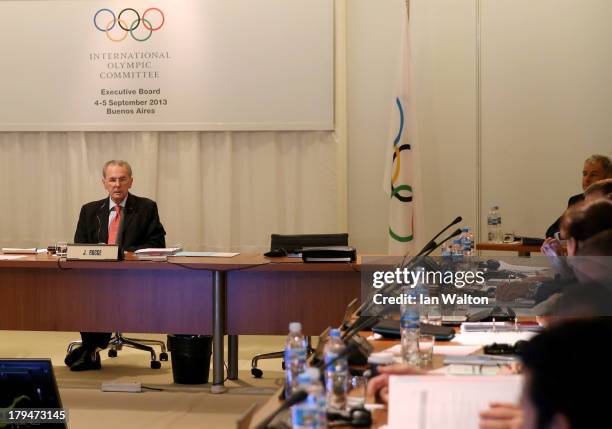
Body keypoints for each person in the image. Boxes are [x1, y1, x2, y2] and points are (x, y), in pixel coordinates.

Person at [64, 160, 166, 371]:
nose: (117, 185)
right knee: (86, 292)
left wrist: (129, 254)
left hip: (133, 278)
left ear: (131, 181)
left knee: (100, 295)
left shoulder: (146, 208)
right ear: (104, 183)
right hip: (96, 278)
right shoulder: (90, 210)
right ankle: (91, 348)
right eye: (112, 180)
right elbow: (79, 245)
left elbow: (157, 244)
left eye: (122, 179)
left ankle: (90, 349)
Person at [545, 154, 612, 238]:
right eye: (585, 174)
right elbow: (550, 232)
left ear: (607, 177)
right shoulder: (576, 200)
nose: (586, 179)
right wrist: (567, 234)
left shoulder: (609, 202)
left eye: (593, 175)